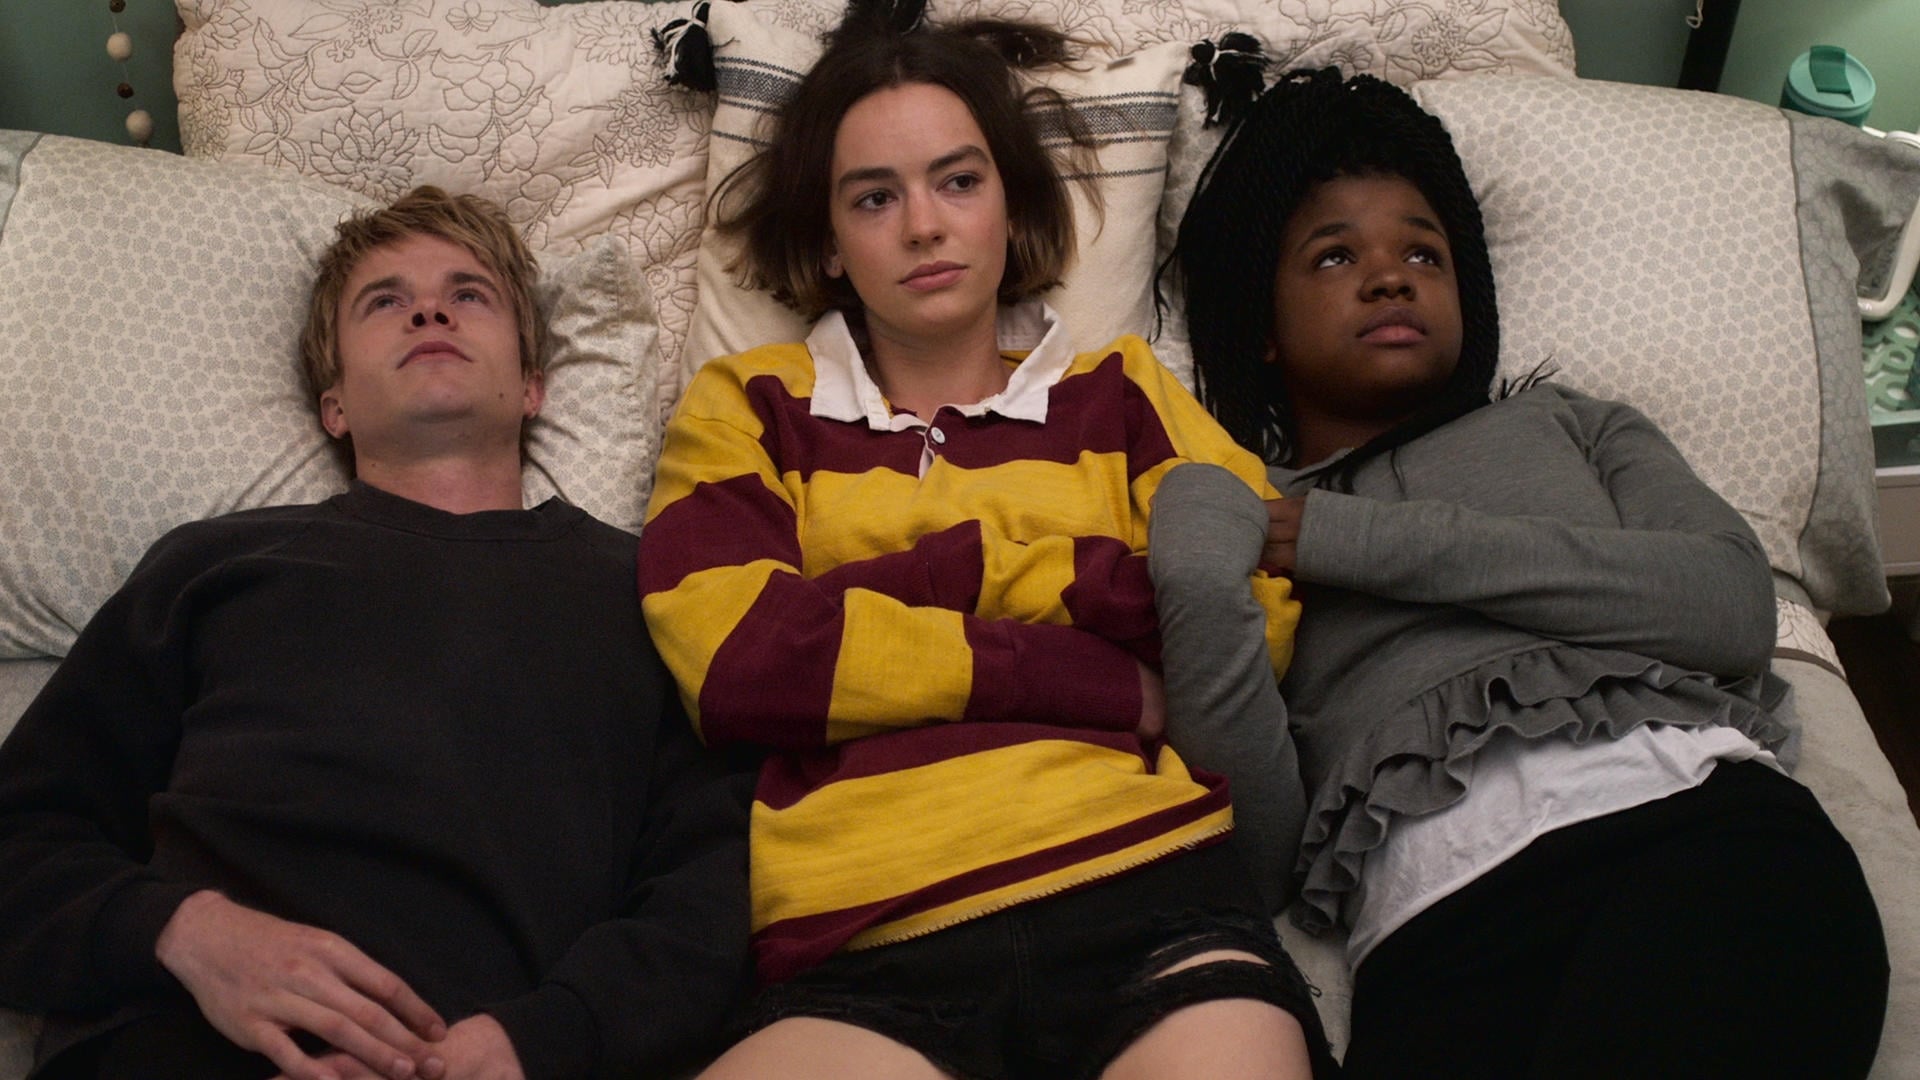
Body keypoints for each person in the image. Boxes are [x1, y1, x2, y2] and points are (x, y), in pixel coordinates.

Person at [638, 14, 1337, 1080]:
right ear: (827, 242)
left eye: (958, 182)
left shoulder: (1124, 391)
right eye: (874, 198)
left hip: (1147, 888)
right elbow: (741, 663)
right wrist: (1092, 662)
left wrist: (877, 601)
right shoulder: (747, 404)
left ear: (1010, 207)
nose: (924, 226)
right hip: (865, 924)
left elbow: (1249, 608)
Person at [1156, 67, 1891, 1077]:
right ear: (1263, 329)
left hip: (1690, 833)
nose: (1391, 277)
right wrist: (1198, 579)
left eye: (1424, 252)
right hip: (1436, 942)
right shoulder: (1247, 518)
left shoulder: (1575, 424)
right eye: (1335, 256)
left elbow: (1728, 608)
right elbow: (1263, 862)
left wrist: (1349, 540)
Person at [0, 187, 752, 1080]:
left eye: (469, 294)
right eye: (384, 301)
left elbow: (713, 891)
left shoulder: (651, 593)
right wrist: (186, 933)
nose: (429, 310)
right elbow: (22, 837)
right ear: (334, 406)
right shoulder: (212, 567)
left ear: (533, 386)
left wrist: (539, 1040)